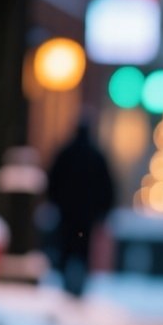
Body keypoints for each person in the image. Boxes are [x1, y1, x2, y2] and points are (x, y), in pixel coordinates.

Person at [46, 119, 116, 298]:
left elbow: (53, 180)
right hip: (87, 215)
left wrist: (55, 203)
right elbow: (107, 187)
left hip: (67, 213)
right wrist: (102, 212)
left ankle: (67, 283)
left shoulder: (66, 153)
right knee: (82, 248)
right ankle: (78, 285)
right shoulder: (96, 156)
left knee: (67, 247)